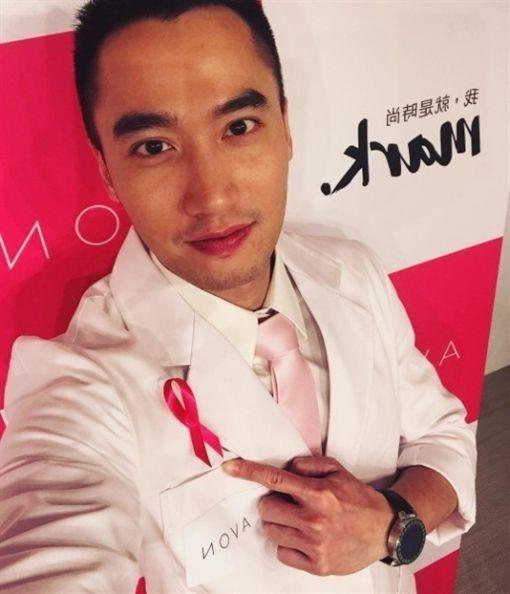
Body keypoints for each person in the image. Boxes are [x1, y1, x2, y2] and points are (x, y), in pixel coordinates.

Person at [0, 1, 476, 593]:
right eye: (153, 146)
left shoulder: (351, 270)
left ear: (285, 126)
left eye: (239, 126)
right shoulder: (78, 379)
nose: (212, 197)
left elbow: (444, 437)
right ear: (107, 170)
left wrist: (391, 524)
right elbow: (53, 542)